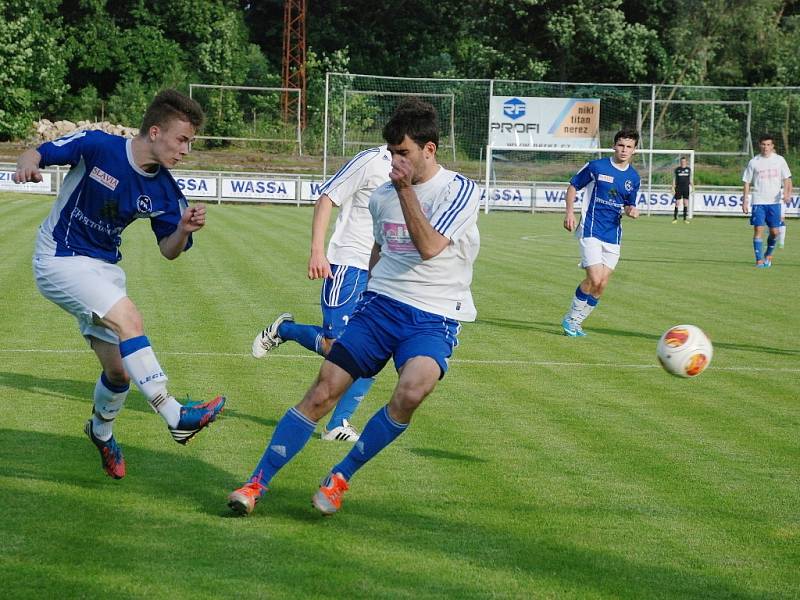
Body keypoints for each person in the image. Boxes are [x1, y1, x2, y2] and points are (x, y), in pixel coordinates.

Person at [228, 97, 481, 517]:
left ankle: (340, 476)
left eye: (403, 153)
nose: (395, 162)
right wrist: (369, 296)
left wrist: (404, 191)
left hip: (435, 316)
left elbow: (431, 246)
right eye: (392, 154)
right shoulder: (383, 196)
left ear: (429, 149)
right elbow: (380, 249)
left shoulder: (459, 190)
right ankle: (255, 483)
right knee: (323, 391)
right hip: (380, 307)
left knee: (413, 391)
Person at [13, 89, 225, 480]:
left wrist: (181, 229)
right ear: (156, 131)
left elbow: (169, 251)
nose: (186, 150)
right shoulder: (99, 146)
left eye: (190, 142)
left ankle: (101, 431)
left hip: (104, 269)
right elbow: (38, 152)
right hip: (59, 256)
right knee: (130, 319)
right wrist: (27, 163)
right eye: (182, 139)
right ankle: (175, 414)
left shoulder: (165, 189)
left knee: (119, 374)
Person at [251, 145, 392, 442]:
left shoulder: (413, 169)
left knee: (372, 347)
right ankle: (284, 330)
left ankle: (339, 422)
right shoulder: (372, 160)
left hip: (381, 270)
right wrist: (317, 251)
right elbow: (327, 196)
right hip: (348, 262)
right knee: (334, 346)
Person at [561, 129, 641, 337]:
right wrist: (569, 213)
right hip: (591, 230)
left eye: (629, 147)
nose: (624, 150)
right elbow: (572, 186)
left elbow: (628, 204)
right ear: (614, 146)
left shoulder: (633, 177)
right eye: (621, 145)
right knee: (595, 278)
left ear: (635, 150)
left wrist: (631, 210)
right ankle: (571, 319)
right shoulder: (597, 166)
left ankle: (577, 322)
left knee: (601, 284)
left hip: (613, 235)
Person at [741, 134, 792, 268]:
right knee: (759, 230)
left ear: (772, 146)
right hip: (758, 201)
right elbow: (746, 182)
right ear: (760, 145)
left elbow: (787, 178)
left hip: (774, 202)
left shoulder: (780, 160)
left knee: (775, 232)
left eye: (768, 145)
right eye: (763, 144)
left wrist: (787, 193)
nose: (766, 147)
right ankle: (759, 260)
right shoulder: (754, 161)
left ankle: (768, 254)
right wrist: (745, 201)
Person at [672, 156, 692, 223]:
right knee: (677, 203)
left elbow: (690, 179)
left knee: (685, 203)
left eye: (684, 161)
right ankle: (675, 218)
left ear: (686, 162)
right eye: (681, 161)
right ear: (680, 162)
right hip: (678, 188)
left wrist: (693, 186)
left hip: (686, 188)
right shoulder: (677, 169)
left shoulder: (688, 169)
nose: (682, 162)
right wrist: (673, 186)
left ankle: (685, 219)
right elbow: (674, 178)